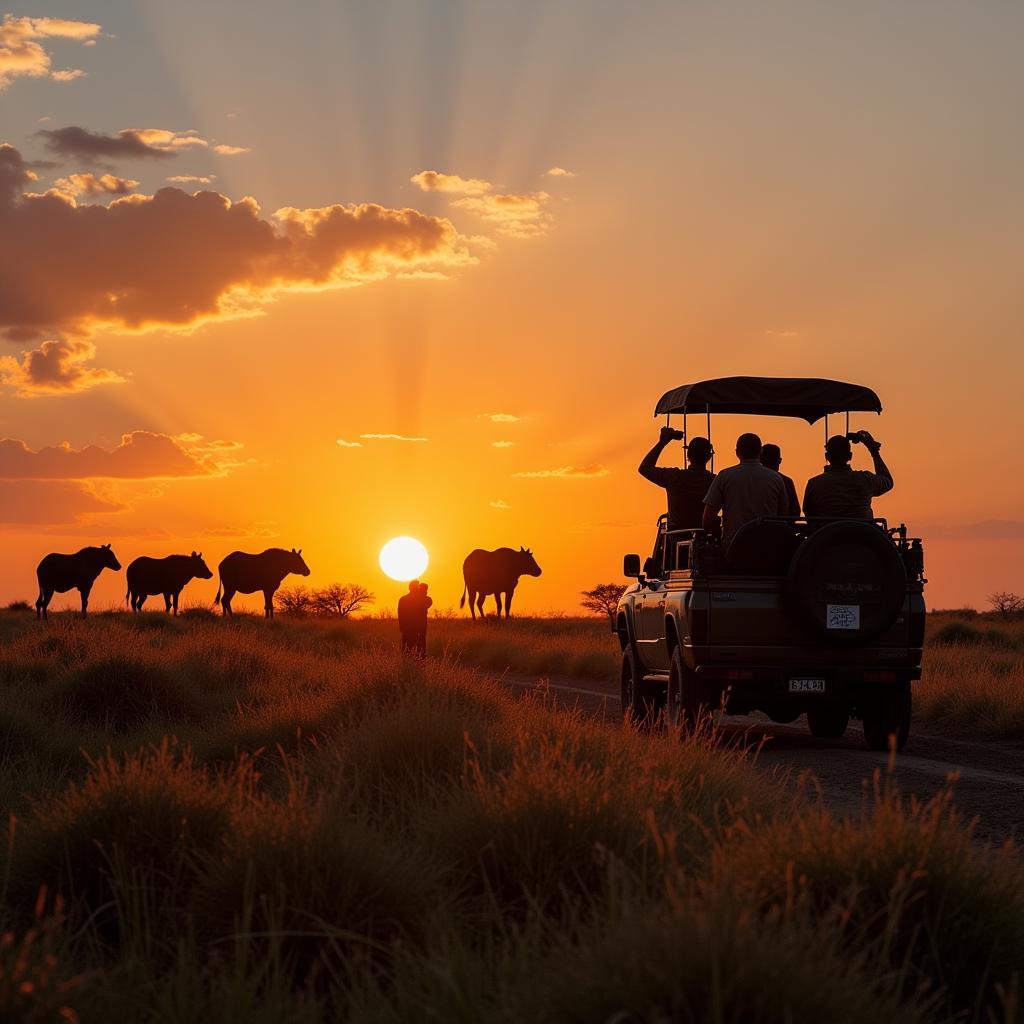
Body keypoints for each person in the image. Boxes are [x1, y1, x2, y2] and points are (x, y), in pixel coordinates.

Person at [701, 432, 789, 548]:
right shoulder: (776, 478)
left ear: (737, 453)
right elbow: (784, 516)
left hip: (734, 549)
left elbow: (707, 520)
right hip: (768, 549)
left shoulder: (725, 476)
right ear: (760, 452)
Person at [803, 431, 893, 519]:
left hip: (829, 533)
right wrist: (873, 450)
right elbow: (887, 481)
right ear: (850, 456)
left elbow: (809, 514)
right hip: (863, 533)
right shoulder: (866, 480)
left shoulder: (814, 484)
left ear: (826, 456)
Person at [638, 427, 715, 530]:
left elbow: (644, 468)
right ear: (709, 457)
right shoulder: (715, 481)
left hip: (676, 536)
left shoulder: (674, 477)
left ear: (688, 455)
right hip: (706, 536)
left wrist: (662, 443)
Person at [760, 443, 801, 517]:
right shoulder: (786, 481)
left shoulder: (752, 480)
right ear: (779, 460)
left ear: (760, 460)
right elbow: (795, 512)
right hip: (780, 526)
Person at [397, 580, 432, 658]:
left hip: (409, 630)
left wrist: (402, 629)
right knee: (419, 652)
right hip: (416, 630)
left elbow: (400, 615)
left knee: (407, 652)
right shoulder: (421, 599)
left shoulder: (403, 599)